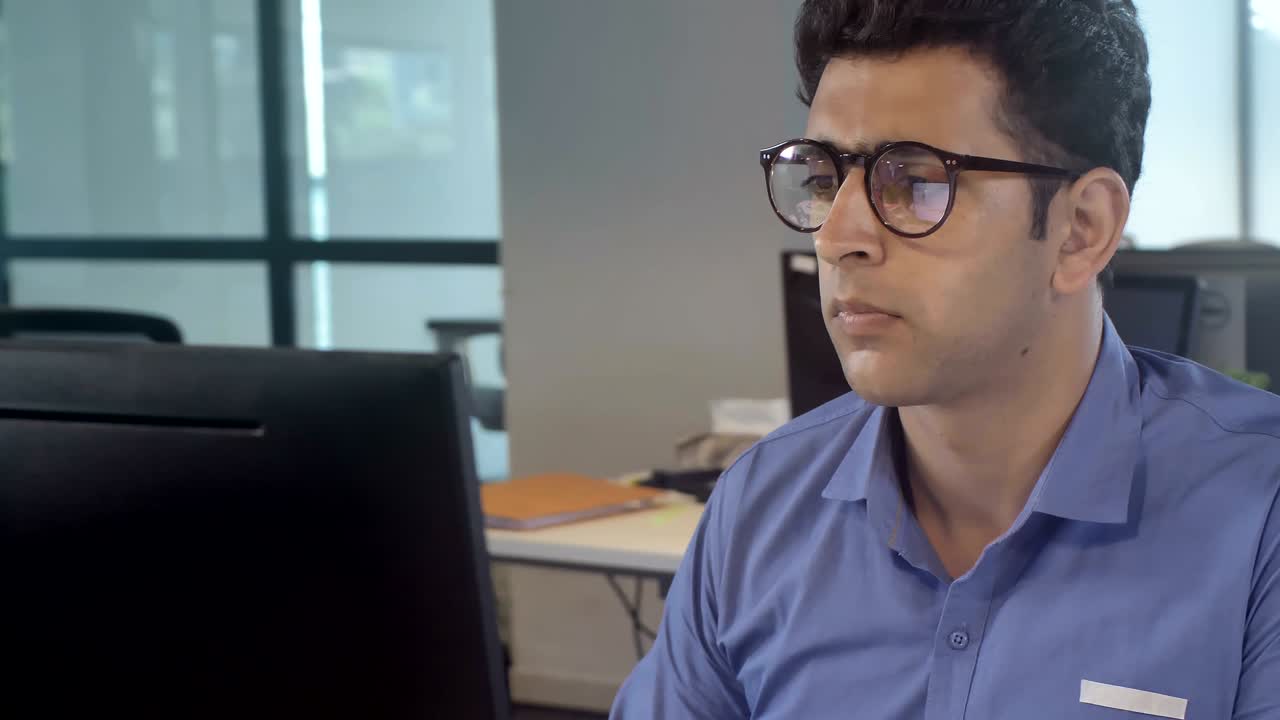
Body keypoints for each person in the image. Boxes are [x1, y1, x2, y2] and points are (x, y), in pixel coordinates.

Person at [611, 1, 1280, 717]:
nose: (837, 236)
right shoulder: (762, 505)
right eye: (826, 179)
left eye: (915, 181)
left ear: (1081, 230)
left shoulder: (1258, 512)